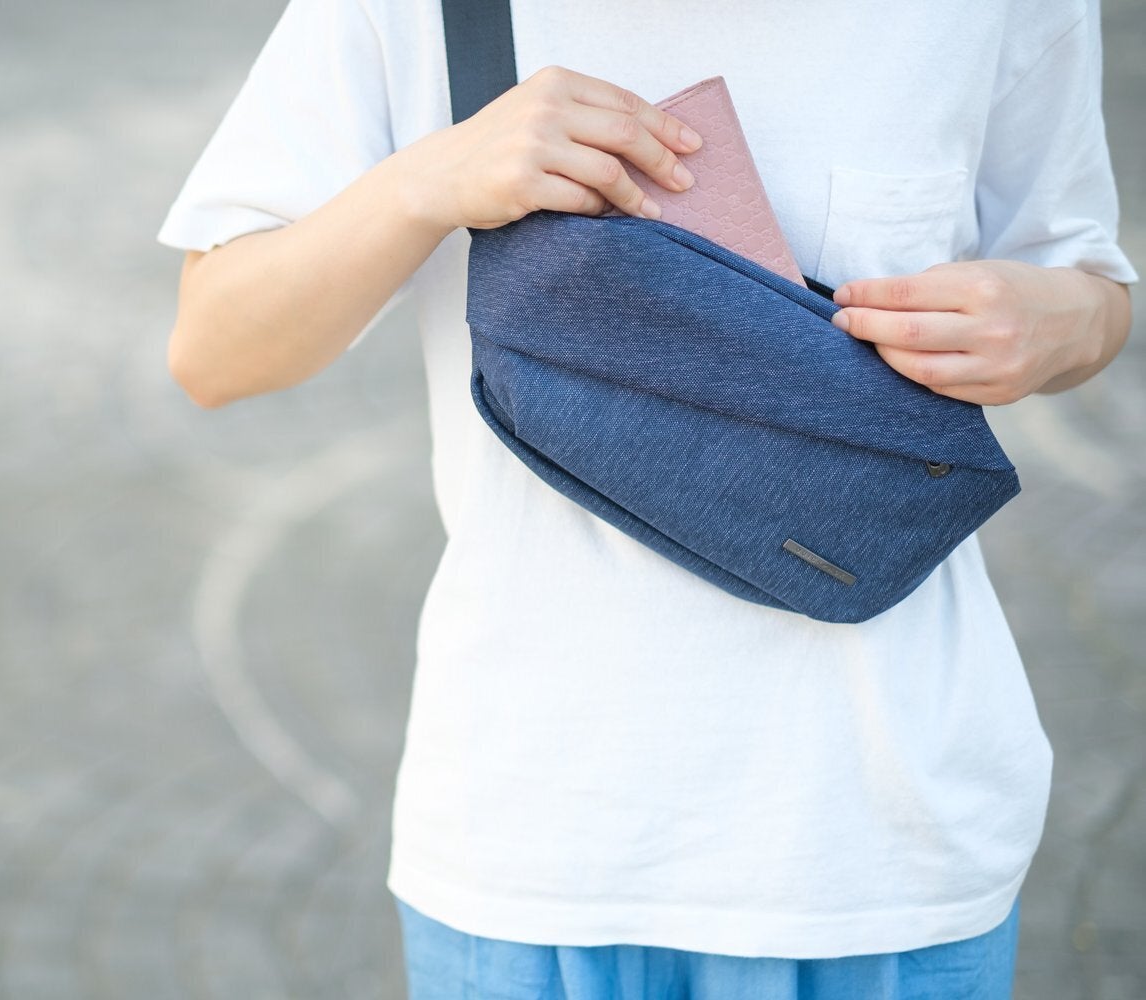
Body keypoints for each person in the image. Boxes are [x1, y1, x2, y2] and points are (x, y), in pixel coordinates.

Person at [157, 0, 1137, 996]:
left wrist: (1065, 322)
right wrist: (425, 183)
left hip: (883, 850)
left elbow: (1089, 286)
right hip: (531, 845)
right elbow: (214, 351)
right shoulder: (412, 15)